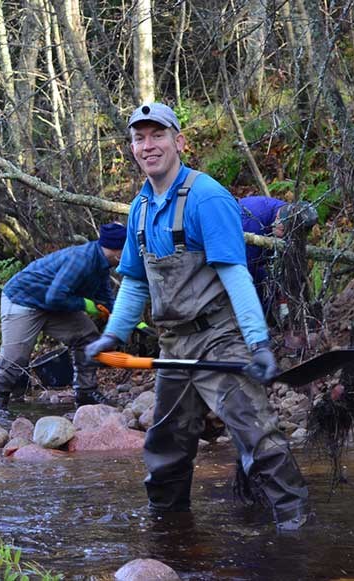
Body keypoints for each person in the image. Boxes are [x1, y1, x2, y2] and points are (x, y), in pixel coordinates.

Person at [84, 103, 311, 531]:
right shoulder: (139, 210)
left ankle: (297, 527)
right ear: (132, 147)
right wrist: (111, 337)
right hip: (173, 346)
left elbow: (235, 273)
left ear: (179, 142)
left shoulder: (207, 198)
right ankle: (169, 533)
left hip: (219, 338)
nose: (148, 146)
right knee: (165, 446)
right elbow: (134, 283)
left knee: (257, 437)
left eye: (157, 136)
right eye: (139, 138)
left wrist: (258, 343)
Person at [0, 223, 126, 417]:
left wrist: (127, 320)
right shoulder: (81, 259)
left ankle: (86, 393)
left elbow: (107, 299)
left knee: (87, 335)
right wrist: (86, 305)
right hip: (23, 299)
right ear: (118, 250)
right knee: (16, 357)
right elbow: (55, 297)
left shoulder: (102, 264)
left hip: (53, 302)